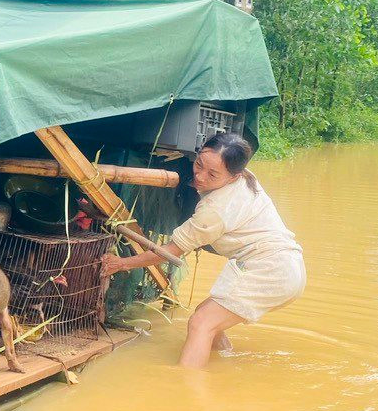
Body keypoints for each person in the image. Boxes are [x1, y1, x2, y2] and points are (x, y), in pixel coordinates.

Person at [100, 132, 305, 368]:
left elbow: (170, 251)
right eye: (198, 164)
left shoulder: (215, 210)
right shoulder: (247, 177)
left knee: (201, 323)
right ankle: (225, 360)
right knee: (207, 318)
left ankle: (184, 388)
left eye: (212, 174)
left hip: (270, 269)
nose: (199, 176)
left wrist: (121, 263)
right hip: (288, 266)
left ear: (232, 177)